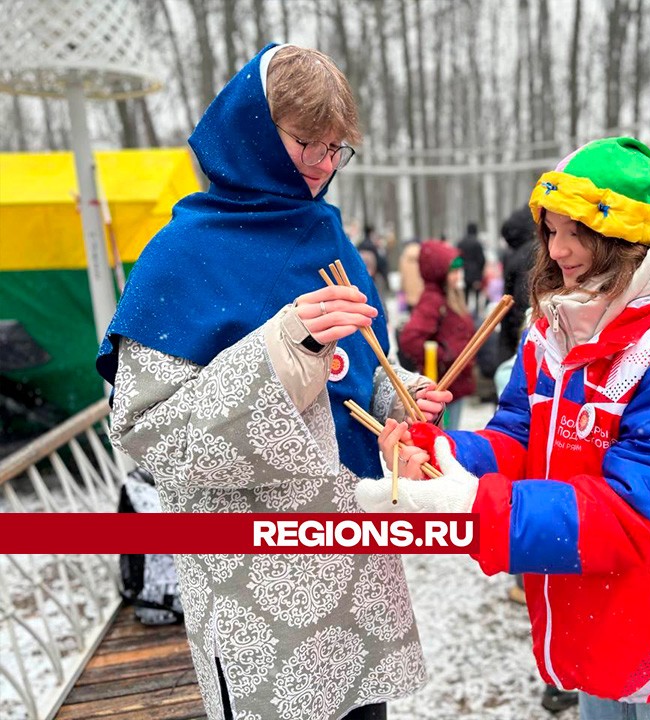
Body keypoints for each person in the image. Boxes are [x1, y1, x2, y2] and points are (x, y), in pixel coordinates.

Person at [95, 44, 451, 720]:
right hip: (255, 575)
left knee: (361, 707)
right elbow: (147, 433)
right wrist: (285, 350)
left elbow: (356, 366)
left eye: (335, 148)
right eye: (304, 142)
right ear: (253, 130)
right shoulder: (182, 255)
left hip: (351, 558)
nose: (322, 165)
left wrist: (395, 391)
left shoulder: (326, 234)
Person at [358, 137, 650, 719]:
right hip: (593, 606)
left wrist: (475, 508)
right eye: (550, 231)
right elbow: (520, 440)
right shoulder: (556, 330)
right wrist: (442, 453)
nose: (558, 249)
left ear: (632, 238)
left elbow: (637, 511)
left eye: (577, 231)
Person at [399, 240, 476, 431]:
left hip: (455, 383)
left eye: (459, 270)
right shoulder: (433, 299)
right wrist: (443, 356)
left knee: (451, 436)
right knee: (443, 439)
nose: (457, 276)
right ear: (439, 271)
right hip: (443, 385)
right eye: (453, 271)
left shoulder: (452, 295)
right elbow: (410, 339)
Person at [498, 206, 538, 366]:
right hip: (522, 338)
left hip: (511, 339)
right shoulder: (531, 254)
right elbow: (524, 303)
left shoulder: (516, 255)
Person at [458, 221, 487, 314]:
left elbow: (457, 258)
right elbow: (482, 259)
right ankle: (477, 314)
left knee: (465, 296)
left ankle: (465, 314)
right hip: (475, 275)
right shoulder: (477, 243)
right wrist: (480, 273)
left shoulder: (461, 243)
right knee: (477, 297)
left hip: (463, 274)